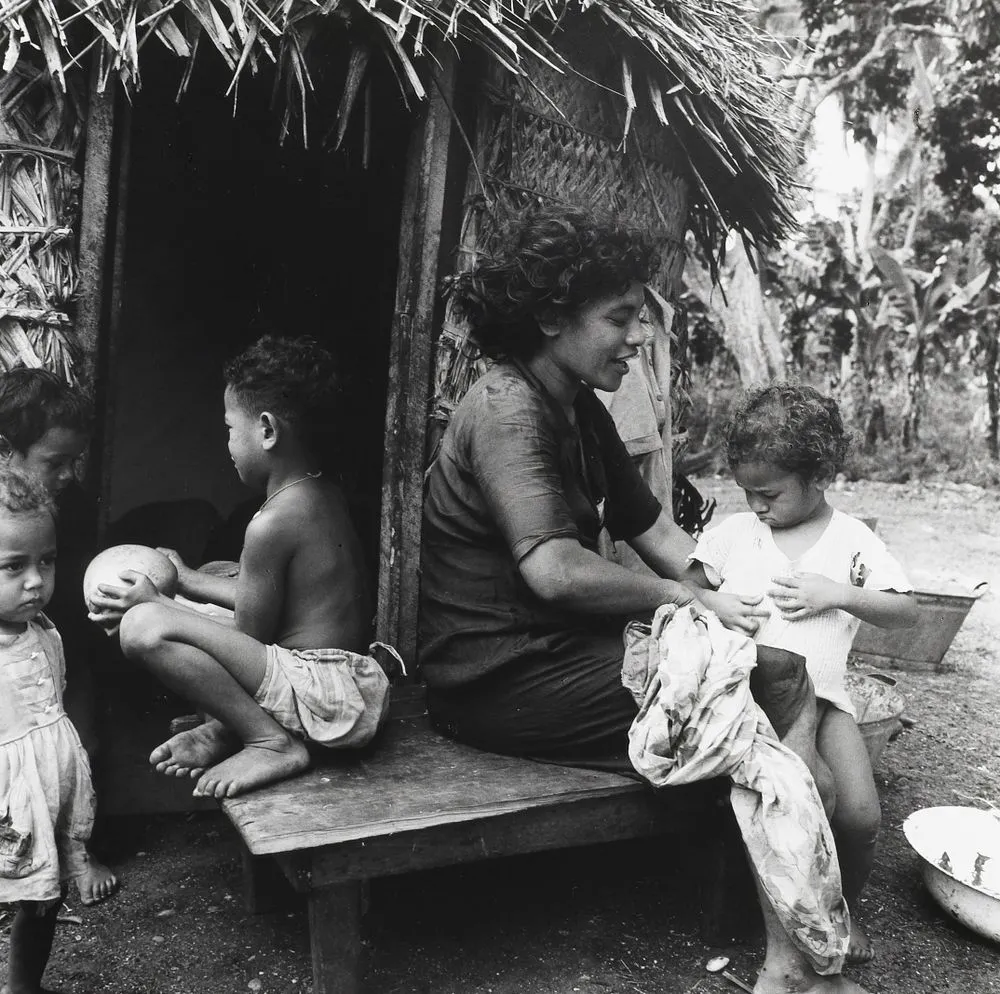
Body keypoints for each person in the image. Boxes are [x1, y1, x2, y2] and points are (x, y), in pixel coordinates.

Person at [419, 205, 872, 994]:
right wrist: (686, 603)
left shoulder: (575, 404)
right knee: (757, 693)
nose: (638, 337)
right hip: (496, 679)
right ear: (553, 318)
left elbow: (655, 529)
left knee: (770, 672)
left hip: (558, 654)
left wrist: (723, 595)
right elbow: (553, 570)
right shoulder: (506, 410)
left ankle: (793, 938)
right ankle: (792, 962)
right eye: (620, 318)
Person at [87, 335, 390, 799]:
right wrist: (188, 578)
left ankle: (268, 741)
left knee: (141, 628)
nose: (226, 442)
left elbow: (249, 637)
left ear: (267, 430)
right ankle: (227, 727)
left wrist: (159, 601)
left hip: (321, 701)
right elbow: (262, 601)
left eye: (231, 427)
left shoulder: (271, 523)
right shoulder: (321, 492)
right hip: (342, 685)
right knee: (218, 571)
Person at [690, 384, 918, 963]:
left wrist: (839, 593)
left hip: (826, 703)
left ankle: (838, 914)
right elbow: (688, 591)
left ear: (818, 475)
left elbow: (904, 610)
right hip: (746, 708)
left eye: (768, 493)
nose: (757, 505)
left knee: (861, 815)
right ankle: (777, 915)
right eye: (747, 491)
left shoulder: (852, 543)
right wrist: (715, 607)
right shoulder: (732, 536)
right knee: (806, 793)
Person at [0, 367, 118, 908]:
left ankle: (77, 850)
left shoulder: (74, 501)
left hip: (64, 638)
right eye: (55, 462)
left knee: (76, 748)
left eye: (75, 460)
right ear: (7, 451)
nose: (69, 474)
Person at [0, 468, 100, 994]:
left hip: (45, 786)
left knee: (42, 897)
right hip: (5, 799)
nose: (36, 580)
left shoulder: (43, 630)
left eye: (47, 561)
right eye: (13, 567)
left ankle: (23, 987)